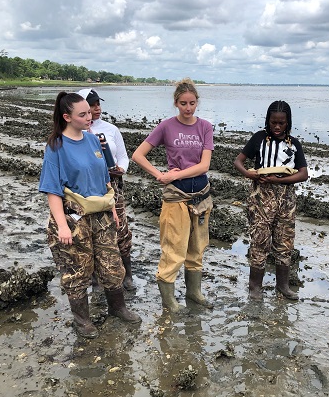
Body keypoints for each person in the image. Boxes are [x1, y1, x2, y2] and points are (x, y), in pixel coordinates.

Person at [39, 92, 141, 339]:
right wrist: (62, 226)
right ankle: (82, 320)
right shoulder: (56, 147)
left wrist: (114, 211)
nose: (90, 117)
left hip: (103, 216)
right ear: (67, 117)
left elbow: (105, 180)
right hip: (75, 218)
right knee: (78, 269)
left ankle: (118, 307)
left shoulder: (93, 140)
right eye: (82, 114)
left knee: (111, 262)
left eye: (89, 112)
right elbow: (52, 190)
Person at [131, 78, 214, 313]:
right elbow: (138, 155)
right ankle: (169, 301)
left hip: (201, 194)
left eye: (192, 103)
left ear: (197, 102)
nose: (188, 108)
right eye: (183, 103)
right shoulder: (166, 126)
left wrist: (173, 175)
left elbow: (204, 165)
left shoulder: (205, 127)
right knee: (174, 249)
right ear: (175, 103)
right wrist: (160, 174)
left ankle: (194, 293)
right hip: (176, 196)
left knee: (197, 248)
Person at [233, 100, 309, 301]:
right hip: (261, 197)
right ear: (268, 121)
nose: (277, 126)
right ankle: (255, 286)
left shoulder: (294, 144)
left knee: (284, 241)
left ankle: (282, 285)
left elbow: (303, 174)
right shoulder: (259, 138)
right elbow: (238, 161)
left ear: (288, 122)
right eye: (273, 122)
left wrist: (277, 180)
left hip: (286, 199)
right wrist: (249, 174)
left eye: (281, 123)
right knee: (260, 240)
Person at [77, 88, 136, 292]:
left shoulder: (110, 129)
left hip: (113, 186)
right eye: (92, 105)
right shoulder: (76, 132)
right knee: (91, 231)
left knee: (120, 229)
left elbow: (123, 156)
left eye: (98, 104)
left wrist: (122, 169)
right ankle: (96, 280)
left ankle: (127, 274)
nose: (97, 108)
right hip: (87, 189)